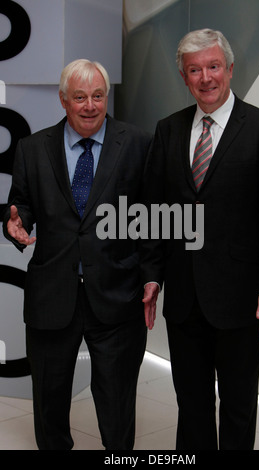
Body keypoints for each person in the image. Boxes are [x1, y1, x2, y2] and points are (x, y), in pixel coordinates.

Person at [142, 29, 259, 450]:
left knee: (239, 405)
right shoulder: (168, 131)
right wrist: (151, 276)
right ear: (184, 77)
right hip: (185, 299)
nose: (205, 77)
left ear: (229, 69)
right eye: (195, 70)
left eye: (212, 67)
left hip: (242, 302)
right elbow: (157, 214)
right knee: (191, 405)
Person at [3, 59, 151, 450]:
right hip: (52, 295)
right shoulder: (32, 149)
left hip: (118, 294)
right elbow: (22, 206)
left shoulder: (137, 143)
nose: (90, 106)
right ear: (63, 100)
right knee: (49, 404)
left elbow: (151, 217)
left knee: (118, 404)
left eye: (98, 96)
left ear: (107, 97)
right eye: (80, 97)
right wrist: (14, 225)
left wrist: (152, 276)